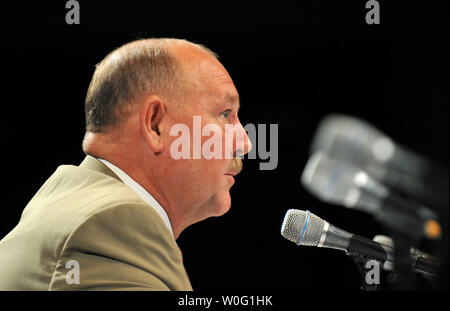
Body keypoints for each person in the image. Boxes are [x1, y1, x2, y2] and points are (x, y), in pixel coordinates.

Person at [0, 38, 252, 290]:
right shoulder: (111, 222)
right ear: (155, 125)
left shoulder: (72, 202)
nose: (245, 143)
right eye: (226, 114)